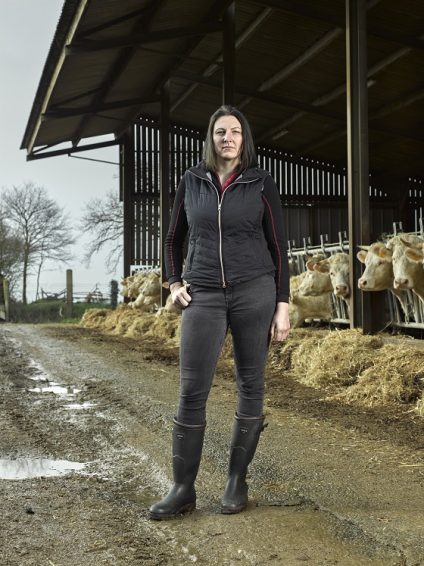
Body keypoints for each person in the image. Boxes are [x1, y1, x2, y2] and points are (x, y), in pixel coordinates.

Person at [149, 105, 290, 520]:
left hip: (255, 292)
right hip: (204, 294)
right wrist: (174, 284)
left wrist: (282, 305)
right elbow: (173, 238)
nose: (227, 138)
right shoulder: (192, 181)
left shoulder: (261, 182)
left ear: (244, 139)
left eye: (234, 132)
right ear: (210, 139)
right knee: (192, 390)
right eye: (219, 132)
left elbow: (279, 247)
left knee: (251, 383)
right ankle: (182, 489)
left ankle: (235, 482)